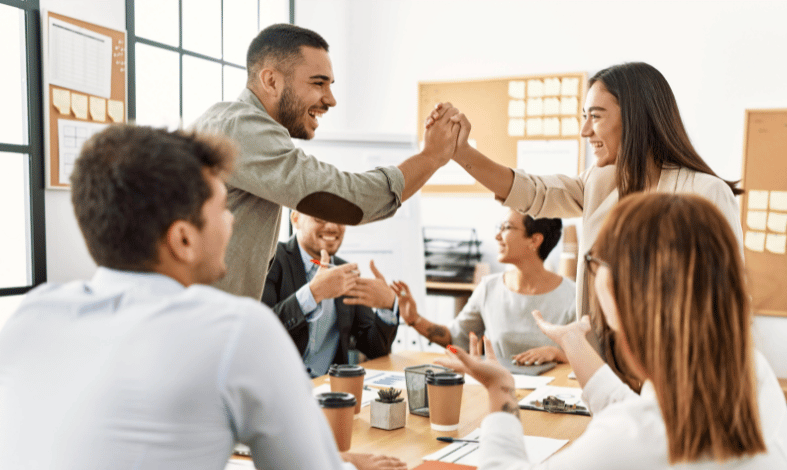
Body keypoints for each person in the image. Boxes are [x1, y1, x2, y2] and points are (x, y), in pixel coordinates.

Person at [0, 125, 403, 470]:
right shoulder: (235, 330)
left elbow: (65, 462)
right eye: (223, 208)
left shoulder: (33, 316)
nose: (233, 222)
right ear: (183, 239)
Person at [440, 192, 787, 470]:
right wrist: (574, 342)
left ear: (630, 297)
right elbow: (639, 422)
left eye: (599, 260)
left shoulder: (652, 435)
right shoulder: (736, 364)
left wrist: (500, 392)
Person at [427, 61, 744, 316]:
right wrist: (461, 152)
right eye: (583, 117)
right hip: (604, 365)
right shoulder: (600, 181)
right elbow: (535, 193)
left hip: (672, 369)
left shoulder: (706, 193)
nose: (584, 130)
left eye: (596, 116)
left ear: (636, 118)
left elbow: (726, 301)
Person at [192, 23, 459, 301]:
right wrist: (431, 157)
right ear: (271, 81)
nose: (330, 100)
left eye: (330, 85)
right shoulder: (242, 129)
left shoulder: (229, 124)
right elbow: (346, 199)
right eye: (318, 83)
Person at [392, 211, 576, 364]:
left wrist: (556, 353)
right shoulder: (489, 288)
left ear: (534, 240)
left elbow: (595, 361)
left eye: (507, 228)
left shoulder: (573, 295)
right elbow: (455, 339)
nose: (498, 236)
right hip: (500, 387)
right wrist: (414, 319)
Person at [263, 210, 399, 377]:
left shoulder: (345, 272)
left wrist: (387, 306)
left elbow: (375, 349)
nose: (332, 226)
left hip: (329, 392)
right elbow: (260, 332)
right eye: (319, 217)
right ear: (295, 219)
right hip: (280, 387)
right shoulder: (271, 259)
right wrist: (312, 294)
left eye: (340, 218)